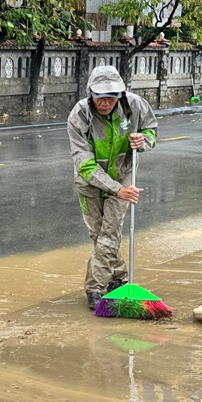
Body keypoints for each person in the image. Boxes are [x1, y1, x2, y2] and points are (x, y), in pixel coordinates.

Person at [67, 66, 159, 310]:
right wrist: (116, 189)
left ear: (121, 94)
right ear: (90, 94)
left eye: (112, 96)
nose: (105, 102)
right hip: (89, 184)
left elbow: (152, 130)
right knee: (99, 237)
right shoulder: (79, 116)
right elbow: (85, 165)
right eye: (100, 97)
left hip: (123, 177)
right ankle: (118, 279)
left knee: (109, 235)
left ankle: (94, 288)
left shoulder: (136, 106)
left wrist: (144, 140)